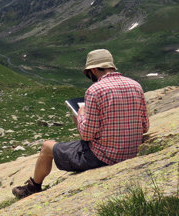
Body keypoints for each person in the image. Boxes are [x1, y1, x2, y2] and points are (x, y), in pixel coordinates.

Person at [12, 49, 149, 199]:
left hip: (103, 157)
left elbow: (87, 135)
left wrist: (80, 115)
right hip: (132, 151)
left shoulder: (95, 90)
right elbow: (145, 126)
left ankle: (32, 188)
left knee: (47, 146)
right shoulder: (136, 85)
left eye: (88, 73)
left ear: (94, 70)